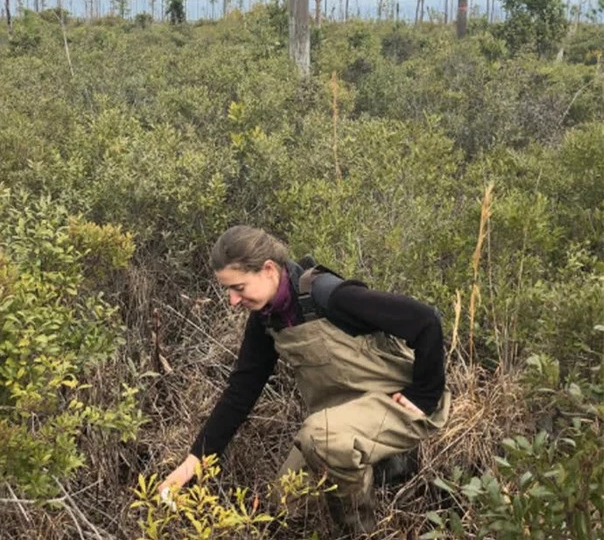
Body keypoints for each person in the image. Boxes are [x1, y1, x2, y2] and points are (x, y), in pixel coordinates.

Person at [159, 225, 450, 536]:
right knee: (286, 502)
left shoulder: (330, 295)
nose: (232, 300)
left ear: (269, 270)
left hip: (397, 404)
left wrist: (425, 395)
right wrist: (193, 462)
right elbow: (240, 393)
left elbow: (425, 321)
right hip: (345, 413)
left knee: (321, 438)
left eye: (239, 287)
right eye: (228, 290)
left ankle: (363, 531)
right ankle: (381, 466)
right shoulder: (266, 320)